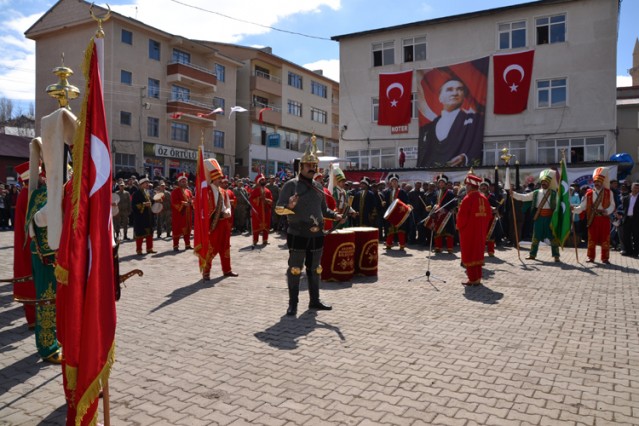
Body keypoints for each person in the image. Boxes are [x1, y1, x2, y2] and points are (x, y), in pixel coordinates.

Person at [276, 135, 342, 316]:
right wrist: (289, 207)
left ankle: (314, 301)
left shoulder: (319, 187)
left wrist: (336, 215)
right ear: (301, 167)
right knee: (295, 269)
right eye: (309, 166)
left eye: (314, 166)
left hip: (317, 234)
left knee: (315, 269)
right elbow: (278, 209)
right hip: (298, 233)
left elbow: (325, 210)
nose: (312, 168)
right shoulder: (290, 185)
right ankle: (293, 304)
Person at [25, 171, 62, 363]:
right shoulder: (42, 195)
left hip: (58, 256)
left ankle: (56, 339)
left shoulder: (56, 193)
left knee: (57, 300)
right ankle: (47, 346)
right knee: (47, 300)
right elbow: (38, 220)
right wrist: (58, 203)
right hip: (45, 257)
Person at [417, 79, 484, 168]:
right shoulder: (428, 128)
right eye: (449, 90)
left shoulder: (474, 120)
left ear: (464, 96)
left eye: (460, 89)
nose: (455, 93)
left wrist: (465, 158)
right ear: (440, 97)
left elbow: (477, 145)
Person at [511, 170, 561, 262]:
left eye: (546, 182)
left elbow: (559, 205)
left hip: (550, 218)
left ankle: (556, 255)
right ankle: (532, 254)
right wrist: (513, 194)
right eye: (543, 182)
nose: (544, 183)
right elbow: (524, 197)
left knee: (553, 237)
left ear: (549, 183)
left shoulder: (554, 194)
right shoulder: (536, 192)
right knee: (535, 237)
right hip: (539, 217)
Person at [202, 159, 238, 280]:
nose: (220, 180)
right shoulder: (206, 191)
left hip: (225, 223)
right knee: (212, 248)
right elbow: (204, 208)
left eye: (220, 178)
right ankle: (206, 272)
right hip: (214, 224)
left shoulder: (223, 191)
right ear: (212, 179)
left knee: (225, 247)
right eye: (218, 178)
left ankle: (227, 270)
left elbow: (227, 205)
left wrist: (228, 211)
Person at [572, 167, 616, 264]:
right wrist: (574, 209)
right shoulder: (589, 193)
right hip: (593, 218)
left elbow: (612, 205)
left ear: (602, 182)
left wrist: (607, 211)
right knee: (591, 238)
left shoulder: (609, 193)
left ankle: (605, 258)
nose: (597, 183)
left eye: (599, 181)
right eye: (595, 181)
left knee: (605, 238)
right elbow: (582, 206)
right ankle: (590, 257)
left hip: (604, 218)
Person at [12, 162, 36, 329]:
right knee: (30, 277)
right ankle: (33, 318)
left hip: (27, 242)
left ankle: (33, 317)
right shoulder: (28, 195)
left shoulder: (26, 193)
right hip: (30, 243)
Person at [457, 173, 492, 286]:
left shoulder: (468, 198)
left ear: (471, 186)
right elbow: (489, 215)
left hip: (469, 231)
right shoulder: (483, 197)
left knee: (469, 253)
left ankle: (472, 279)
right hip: (480, 231)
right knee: (477, 252)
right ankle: (477, 278)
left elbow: (462, 216)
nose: (465, 187)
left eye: (467, 185)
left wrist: (459, 226)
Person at [424, 174, 457, 253]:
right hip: (438, 215)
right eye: (440, 183)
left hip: (447, 215)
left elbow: (453, 204)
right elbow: (434, 202)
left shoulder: (450, 193)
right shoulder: (436, 193)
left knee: (449, 231)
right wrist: (431, 207)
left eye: (442, 183)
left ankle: (450, 248)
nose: (441, 184)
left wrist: (446, 209)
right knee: (437, 230)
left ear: (445, 184)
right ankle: (438, 247)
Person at [383, 173, 410, 250]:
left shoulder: (402, 192)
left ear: (398, 182)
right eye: (392, 181)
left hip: (399, 213)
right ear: (390, 183)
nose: (394, 183)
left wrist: (408, 204)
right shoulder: (387, 192)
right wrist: (384, 203)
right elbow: (385, 201)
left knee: (400, 229)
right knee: (390, 229)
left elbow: (406, 200)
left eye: (395, 181)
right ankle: (389, 244)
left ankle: (402, 244)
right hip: (391, 213)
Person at [131, 177, 156, 255]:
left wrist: (155, 200)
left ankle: (149, 248)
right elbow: (134, 205)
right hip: (140, 217)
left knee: (149, 233)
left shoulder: (147, 192)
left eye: (148, 183)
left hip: (148, 216)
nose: (148, 184)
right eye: (146, 183)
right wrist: (144, 205)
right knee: (140, 234)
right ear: (141, 185)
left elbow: (151, 201)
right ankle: (139, 250)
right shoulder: (136, 194)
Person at [171, 173, 193, 251]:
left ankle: (187, 244)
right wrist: (184, 204)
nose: (185, 183)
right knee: (177, 229)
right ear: (179, 182)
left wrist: (191, 202)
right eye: (183, 181)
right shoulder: (175, 192)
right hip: (179, 214)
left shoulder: (189, 191)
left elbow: (192, 200)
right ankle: (175, 245)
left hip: (188, 214)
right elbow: (174, 202)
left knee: (187, 229)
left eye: (185, 181)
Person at [250, 174, 273, 246]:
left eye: (264, 180)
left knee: (266, 225)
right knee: (256, 225)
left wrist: (266, 200)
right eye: (261, 180)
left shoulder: (268, 191)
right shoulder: (255, 191)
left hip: (266, 211)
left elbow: (271, 200)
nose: (263, 181)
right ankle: (255, 240)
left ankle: (265, 240)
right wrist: (259, 199)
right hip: (258, 211)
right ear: (259, 181)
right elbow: (251, 200)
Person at [620, 182, 639, 257]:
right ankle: (628, 251)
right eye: (635, 187)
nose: (636, 189)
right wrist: (620, 214)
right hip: (627, 219)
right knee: (626, 236)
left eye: (637, 188)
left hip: (636, 220)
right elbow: (623, 208)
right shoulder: (626, 197)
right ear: (631, 188)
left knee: (636, 237)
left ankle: (636, 252)